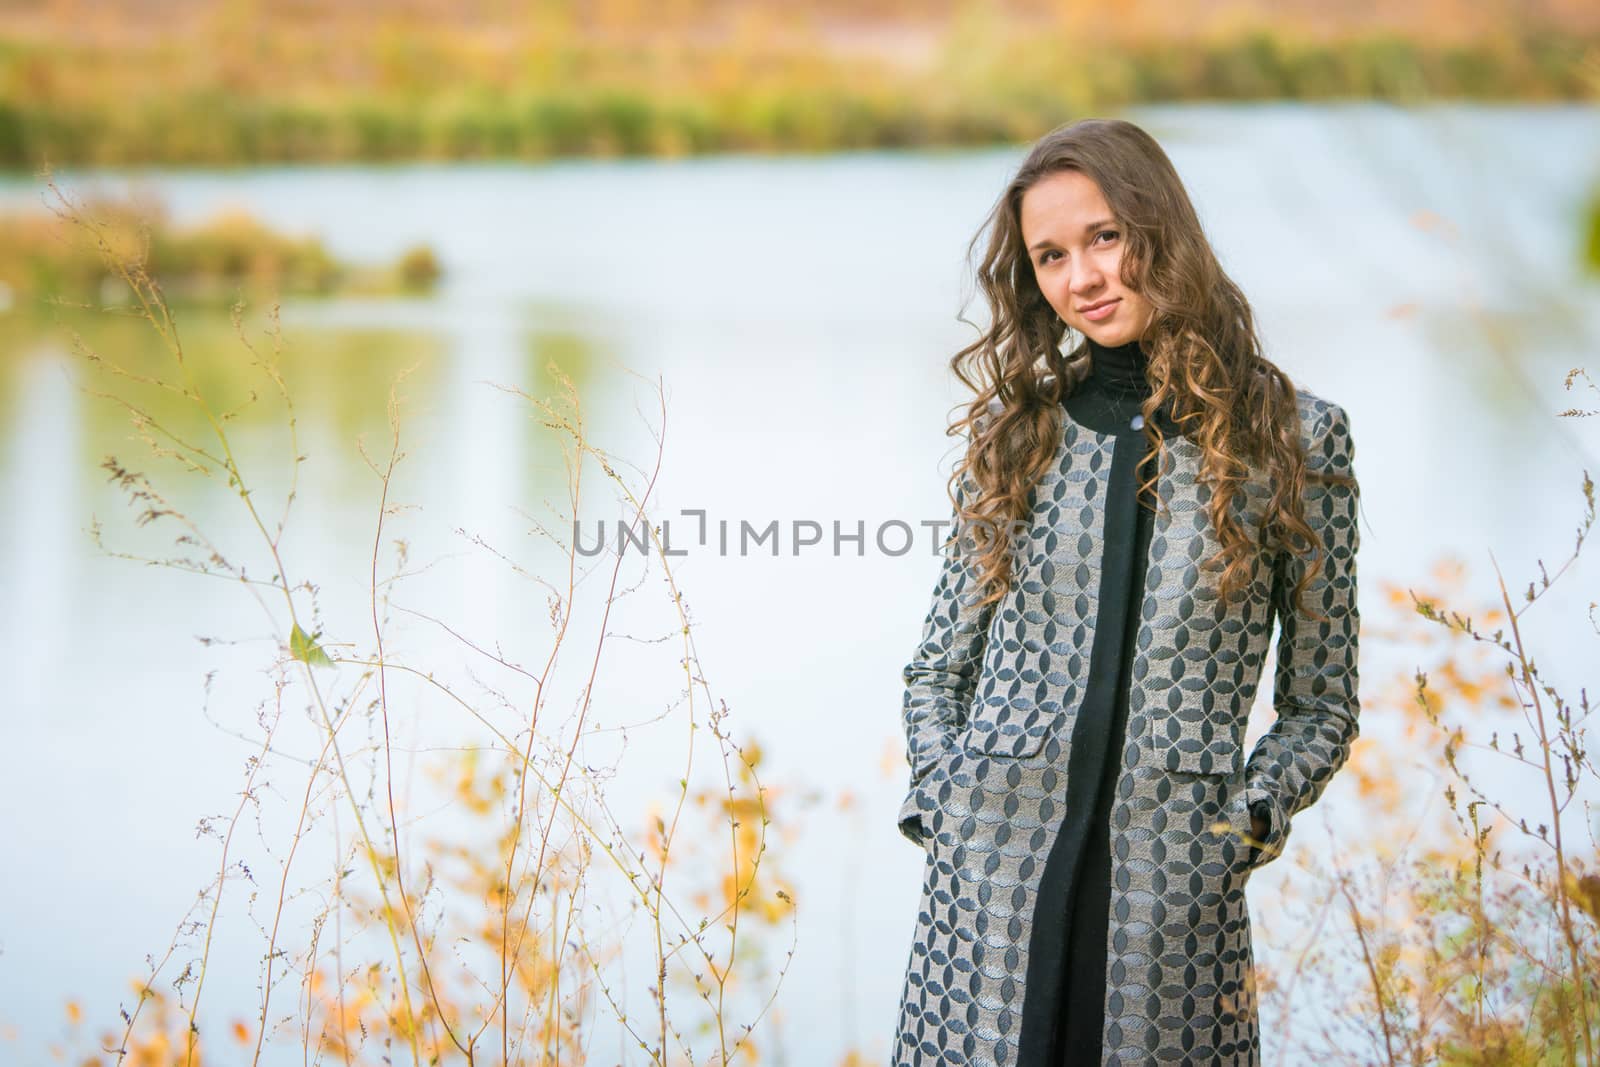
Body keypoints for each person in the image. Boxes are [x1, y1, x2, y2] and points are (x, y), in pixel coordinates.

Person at [890, 117, 1361, 1066]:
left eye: (1105, 237)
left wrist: (1244, 824)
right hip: (988, 895)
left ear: (1162, 227)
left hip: (1173, 897)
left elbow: (1323, 703)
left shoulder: (1297, 442)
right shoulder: (1017, 434)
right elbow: (938, 668)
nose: (1083, 279)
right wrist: (948, 808)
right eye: (1051, 256)